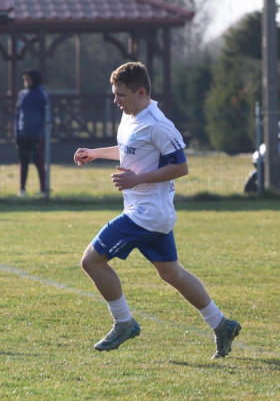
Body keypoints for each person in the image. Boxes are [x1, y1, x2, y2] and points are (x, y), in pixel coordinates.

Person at [73, 62, 241, 358]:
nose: (116, 101)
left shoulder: (159, 124)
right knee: (171, 273)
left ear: (141, 92)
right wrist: (96, 153)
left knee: (91, 261)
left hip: (146, 214)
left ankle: (124, 323)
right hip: (150, 212)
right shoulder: (131, 116)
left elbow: (181, 166)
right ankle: (221, 324)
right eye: (114, 95)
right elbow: (129, 148)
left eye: (121, 95)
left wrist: (137, 179)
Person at [15, 70, 48, 196]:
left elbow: (46, 114)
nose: (26, 82)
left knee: (38, 162)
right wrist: (16, 132)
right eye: (25, 79)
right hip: (23, 134)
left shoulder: (41, 95)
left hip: (36, 134)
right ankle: (22, 189)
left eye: (28, 79)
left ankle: (43, 189)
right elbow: (17, 114)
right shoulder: (21, 94)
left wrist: (41, 132)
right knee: (23, 163)